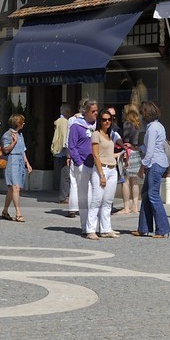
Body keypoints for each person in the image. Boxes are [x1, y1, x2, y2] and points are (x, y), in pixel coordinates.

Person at [136, 100, 170, 238]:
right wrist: (137, 148)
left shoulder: (151, 128)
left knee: (153, 195)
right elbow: (154, 146)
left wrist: (142, 166)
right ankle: (143, 228)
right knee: (146, 194)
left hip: (155, 163)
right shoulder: (158, 126)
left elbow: (150, 152)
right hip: (159, 162)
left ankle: (163, 229)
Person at [84, 111, 120, 238]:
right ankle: (91, 230)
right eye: (104, 119)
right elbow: (95, 155)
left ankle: (106, 229)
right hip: (101, 170)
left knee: (108, 201)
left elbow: (109, 154)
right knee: (97, 200)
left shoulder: (110, 135)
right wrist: (101, 175)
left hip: (112, 169)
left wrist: (121, 154)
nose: (107, 122)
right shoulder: (96, 134)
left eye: (109, 119)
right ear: (100, 121)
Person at [68, 98, 98, 227]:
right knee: (84, 195)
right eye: (93, 111)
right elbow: (72, 146)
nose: (95, 113)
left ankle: (93, 224)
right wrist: (79, 163)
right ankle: (85, 224)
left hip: (96, 165)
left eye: (97, 111)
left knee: (95, 196)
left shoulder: (98, 125)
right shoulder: (77, 125)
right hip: (82, 165)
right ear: (85, 112)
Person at [0, 113, 31, 222]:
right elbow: (6, 150)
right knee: (15, 188)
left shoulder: (20, 135)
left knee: (11, 189)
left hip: (20, 162)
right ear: (18, 123)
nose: (24, 124)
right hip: (11, 162)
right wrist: (14, 142)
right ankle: (18, 213)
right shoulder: (7, 135)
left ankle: (5, 211)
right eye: (22, 122)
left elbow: (23, 150)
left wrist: (27, 163)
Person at [119, 103, 143, 216]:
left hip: (128, 153)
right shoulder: (137, 125)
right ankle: (135, 206)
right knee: (134, 182)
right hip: (136, 153)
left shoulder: (127, 124)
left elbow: (126, 141)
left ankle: (126, 207)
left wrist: (124, 152)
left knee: (125, 181)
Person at [51, 102, 72, 204]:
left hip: (58, 152)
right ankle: (63, 197)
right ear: (67, 112)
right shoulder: (64, 122)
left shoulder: (59, 121)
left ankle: (63, 195)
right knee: (65, 175)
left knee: (62, 175)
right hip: (63, 152)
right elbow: (65, 137)